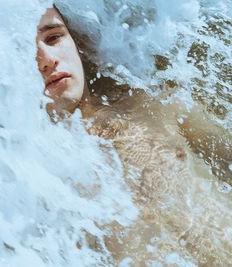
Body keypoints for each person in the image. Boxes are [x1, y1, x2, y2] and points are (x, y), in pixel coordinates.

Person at [36, 6, 232, 266]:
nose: (47, 59)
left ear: (77, 43)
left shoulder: (152, 102)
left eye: (53, 38)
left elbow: (225, 153)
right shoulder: (37, 174)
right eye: (26, 51)